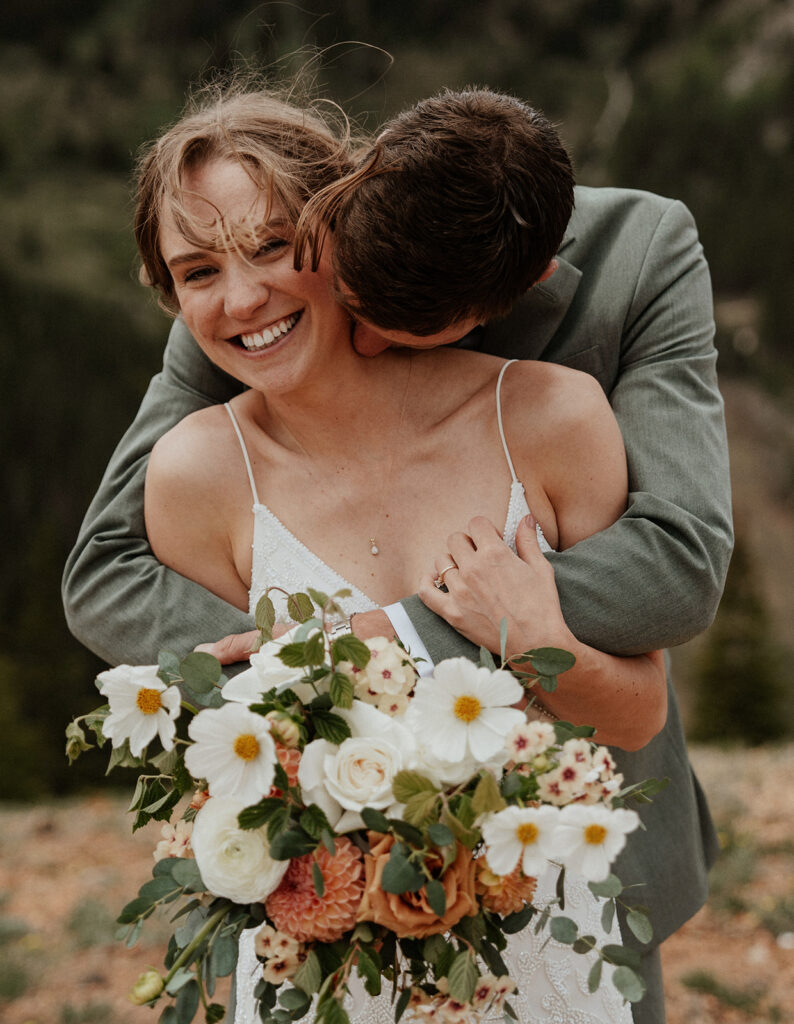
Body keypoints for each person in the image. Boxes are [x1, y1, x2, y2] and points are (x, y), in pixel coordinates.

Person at [62, 85, 733, 1023]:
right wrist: (312, 690)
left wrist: (405, 636)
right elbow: (127, 608)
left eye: (270, 246)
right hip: (331, 950)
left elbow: (674, 582)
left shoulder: (573, 369)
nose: (243, 291)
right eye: (198, 271)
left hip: (556, 896)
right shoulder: (208, 438)